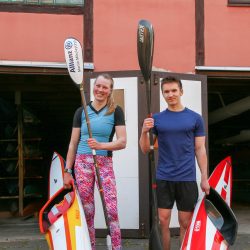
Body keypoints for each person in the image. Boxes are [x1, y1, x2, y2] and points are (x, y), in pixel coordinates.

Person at [139, 76, 210, 250]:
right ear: (163, 94)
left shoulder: (195, 118)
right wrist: (143, 131)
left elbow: (200, 149)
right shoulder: (157, 119)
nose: (170, 94)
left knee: (185, 223)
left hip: (186, 177)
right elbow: (145, 149)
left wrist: (204, 177)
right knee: (163, 221)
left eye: (174, 91)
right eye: (166, 92)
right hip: (164, 177)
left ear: (181, 92)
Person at [64, 73, 127, 250]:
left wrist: (101, 145)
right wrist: (67, 171)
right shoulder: (81, 111)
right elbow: (73, 143)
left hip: (104, 163)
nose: (100, 89)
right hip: (82, 163)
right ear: (94, 87)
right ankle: (88, 246)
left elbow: (122, 141)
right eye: (98, 85)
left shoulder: (116, 111)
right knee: (87, 211)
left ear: (110, 90)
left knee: (111, 209)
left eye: (104, 87)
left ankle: (116, 247)